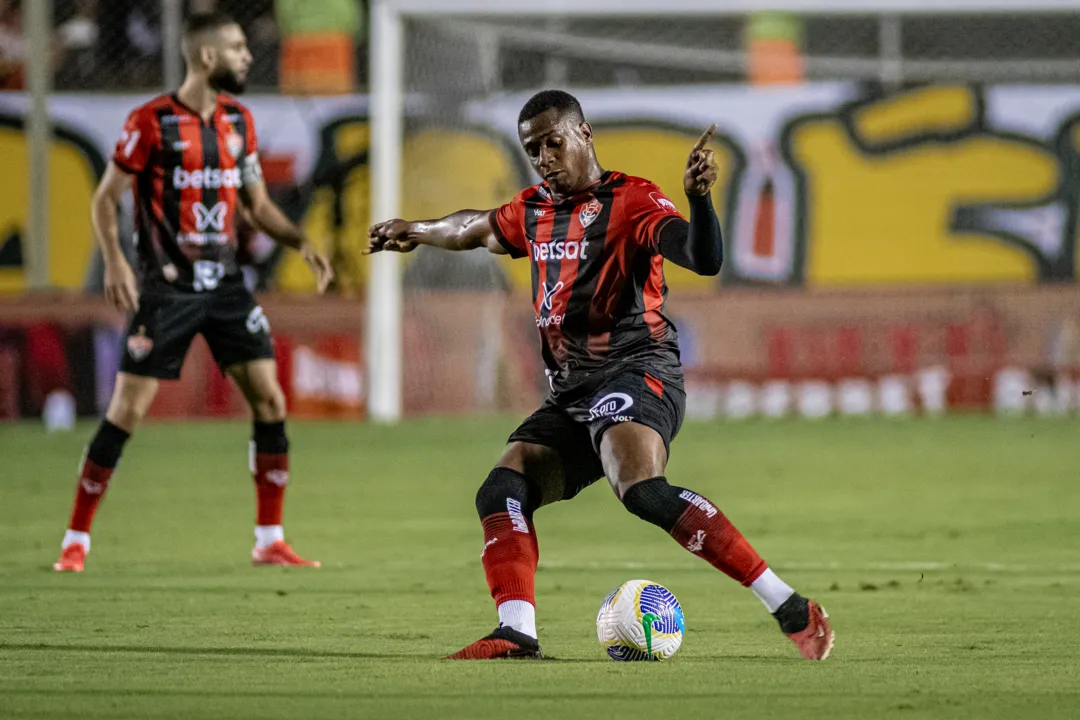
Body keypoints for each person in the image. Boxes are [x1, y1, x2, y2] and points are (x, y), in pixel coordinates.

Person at [367, 90, 834, 661]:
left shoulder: (633, 200)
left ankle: (788, 605)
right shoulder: (533, 209)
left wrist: (699, 199)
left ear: (584, 133)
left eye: (552, 143)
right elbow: (474, 228)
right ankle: (516, 633)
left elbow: (701, 255)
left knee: (638, 488)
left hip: (639, 369)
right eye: (532, 149)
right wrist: (415, 228)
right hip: (572, 390)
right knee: (502, 489)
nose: (543, 158)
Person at [53, 12, 333, 573]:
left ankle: (269, 538)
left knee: (270, 400)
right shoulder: (151, 121)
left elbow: (256, 206)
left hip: (226, 286)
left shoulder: (239, 122)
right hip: (167, 290)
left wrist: (300, 240)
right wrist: (115, 261)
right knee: (127, 411)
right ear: (207, 57)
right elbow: (106, 198)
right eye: (236, 48)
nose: (247, 56)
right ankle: (75, 539)